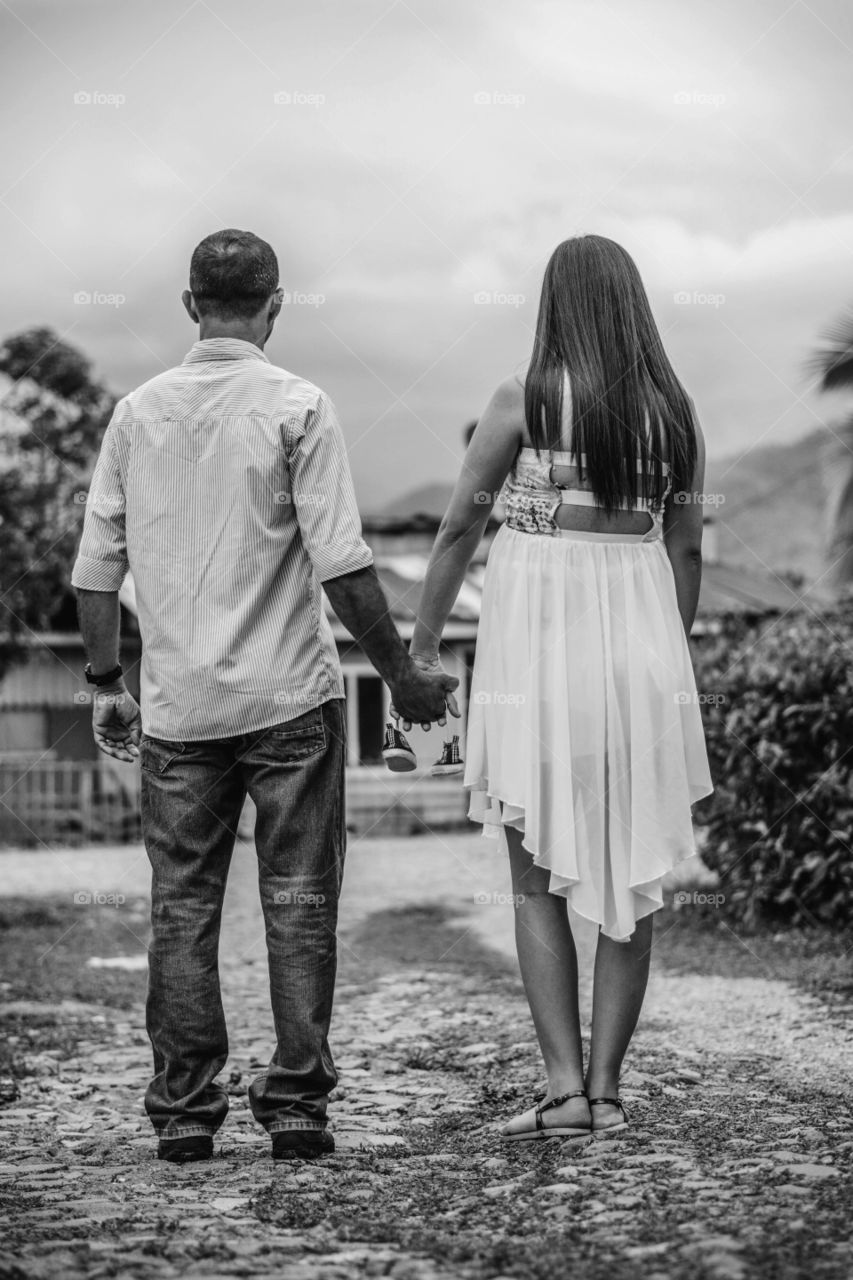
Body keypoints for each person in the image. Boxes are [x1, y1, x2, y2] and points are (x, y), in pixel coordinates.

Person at [71, 228, 458, 1164]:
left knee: (182, 910)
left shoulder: (137, 413)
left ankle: (186, 1113)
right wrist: (401, 674)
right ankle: (294, 1107)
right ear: (275, 303)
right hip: (290, 704)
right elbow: (343, 564)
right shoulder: (298, 405)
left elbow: (93, 573)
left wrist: (107, 685)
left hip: (179, 715)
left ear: (188, 304)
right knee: (297, 900)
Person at [411, 234, 713, 1142]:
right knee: (636, 870)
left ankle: (562, 1092)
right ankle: (611, 1091)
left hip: (534, 666)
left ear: (556, 303)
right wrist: (667, 654)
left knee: (533, 873)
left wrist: (421, 647)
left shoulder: (526, 397)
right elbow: (687, 548)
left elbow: (459, 532)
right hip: (639, 660)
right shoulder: (675, 414)